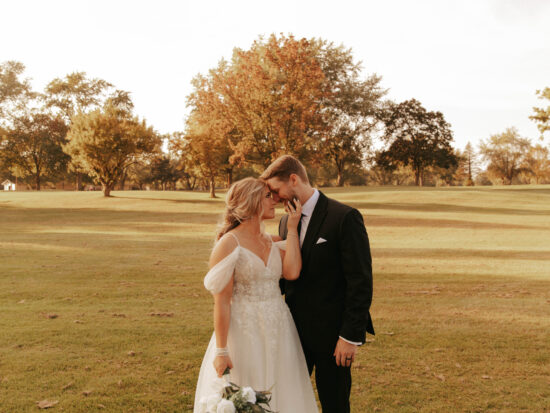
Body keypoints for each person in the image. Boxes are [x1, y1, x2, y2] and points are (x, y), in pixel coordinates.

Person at [193, 177, 319, 413]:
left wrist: (292, 229)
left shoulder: (272, 241)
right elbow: (222, 302)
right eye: (268, 196)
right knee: (247, 389)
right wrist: (221, 351)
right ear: (252, 202)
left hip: (279, 328)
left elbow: (292, 272)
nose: (275, 201)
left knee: (283, 388)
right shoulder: (229, 243)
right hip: (243, 330)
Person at [260, 155, 374, 413]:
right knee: (289, 402)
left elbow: (360, 282)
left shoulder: (344, 217)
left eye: (276, 191)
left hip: (332, 338)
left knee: (334, 404)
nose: (275, 198)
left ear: (293, 179)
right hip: (291, 332)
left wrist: (349, 336)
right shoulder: (284, 221)